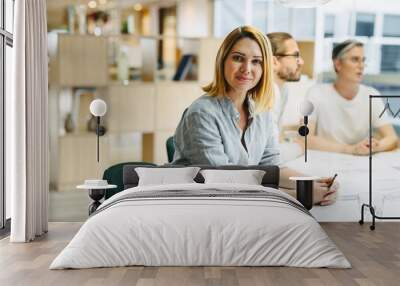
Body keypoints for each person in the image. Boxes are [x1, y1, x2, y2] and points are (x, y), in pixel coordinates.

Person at [172, 26, 338, 205]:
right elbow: (223, 182)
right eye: (238, 58)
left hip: (242, 204)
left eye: (256, 61)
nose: (247, 68)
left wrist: (313, 182)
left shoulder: (261, 110)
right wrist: (300, 196)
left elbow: (272, 167)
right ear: (222, 61)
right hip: (202, 206)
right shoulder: (202, 113)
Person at [306, 40, 398, 155]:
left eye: (363, 60)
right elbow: (305, 139)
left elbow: (392, 138)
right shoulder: (316, 93)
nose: (361, 66)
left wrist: (374, 147)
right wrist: (350, 149)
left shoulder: (371, 94)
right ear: (338, 64)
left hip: (359, 163)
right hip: (326, 162)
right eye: (355, 60)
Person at [267, 32, 305, 162]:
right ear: (274, 60)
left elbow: (276, 140)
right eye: (295, 55)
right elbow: (269, 156)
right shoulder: (269, 91)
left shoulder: (283, 89)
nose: (301, 62)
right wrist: (300, 147)